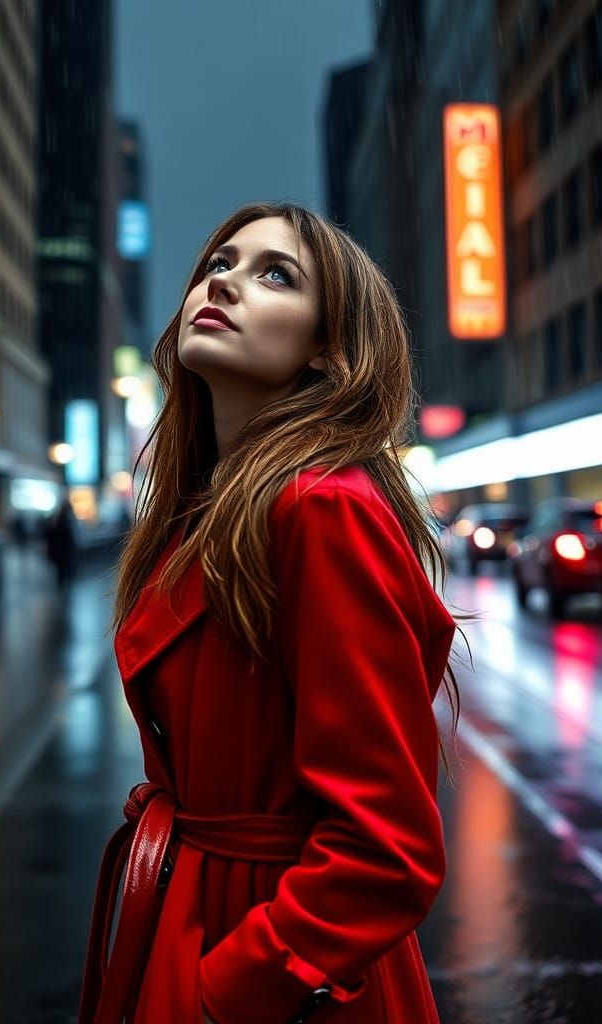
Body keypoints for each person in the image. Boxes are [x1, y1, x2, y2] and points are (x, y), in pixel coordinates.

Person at [77, 203, 458, 1024]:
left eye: (274, 274)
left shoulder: (321, 508)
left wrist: (235, 990)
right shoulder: (201, 512)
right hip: (196, 923)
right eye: (219, 262)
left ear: (329, 348)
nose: (223, 281)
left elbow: (387, 845)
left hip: (274, 963)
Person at [45, 498, 80, 588]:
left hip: (61, 549)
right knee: (65, 567)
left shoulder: (58, 519)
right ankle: (65, 582)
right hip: (65, 548)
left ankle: (62, 582)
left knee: (62, 568)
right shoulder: (68, 519)